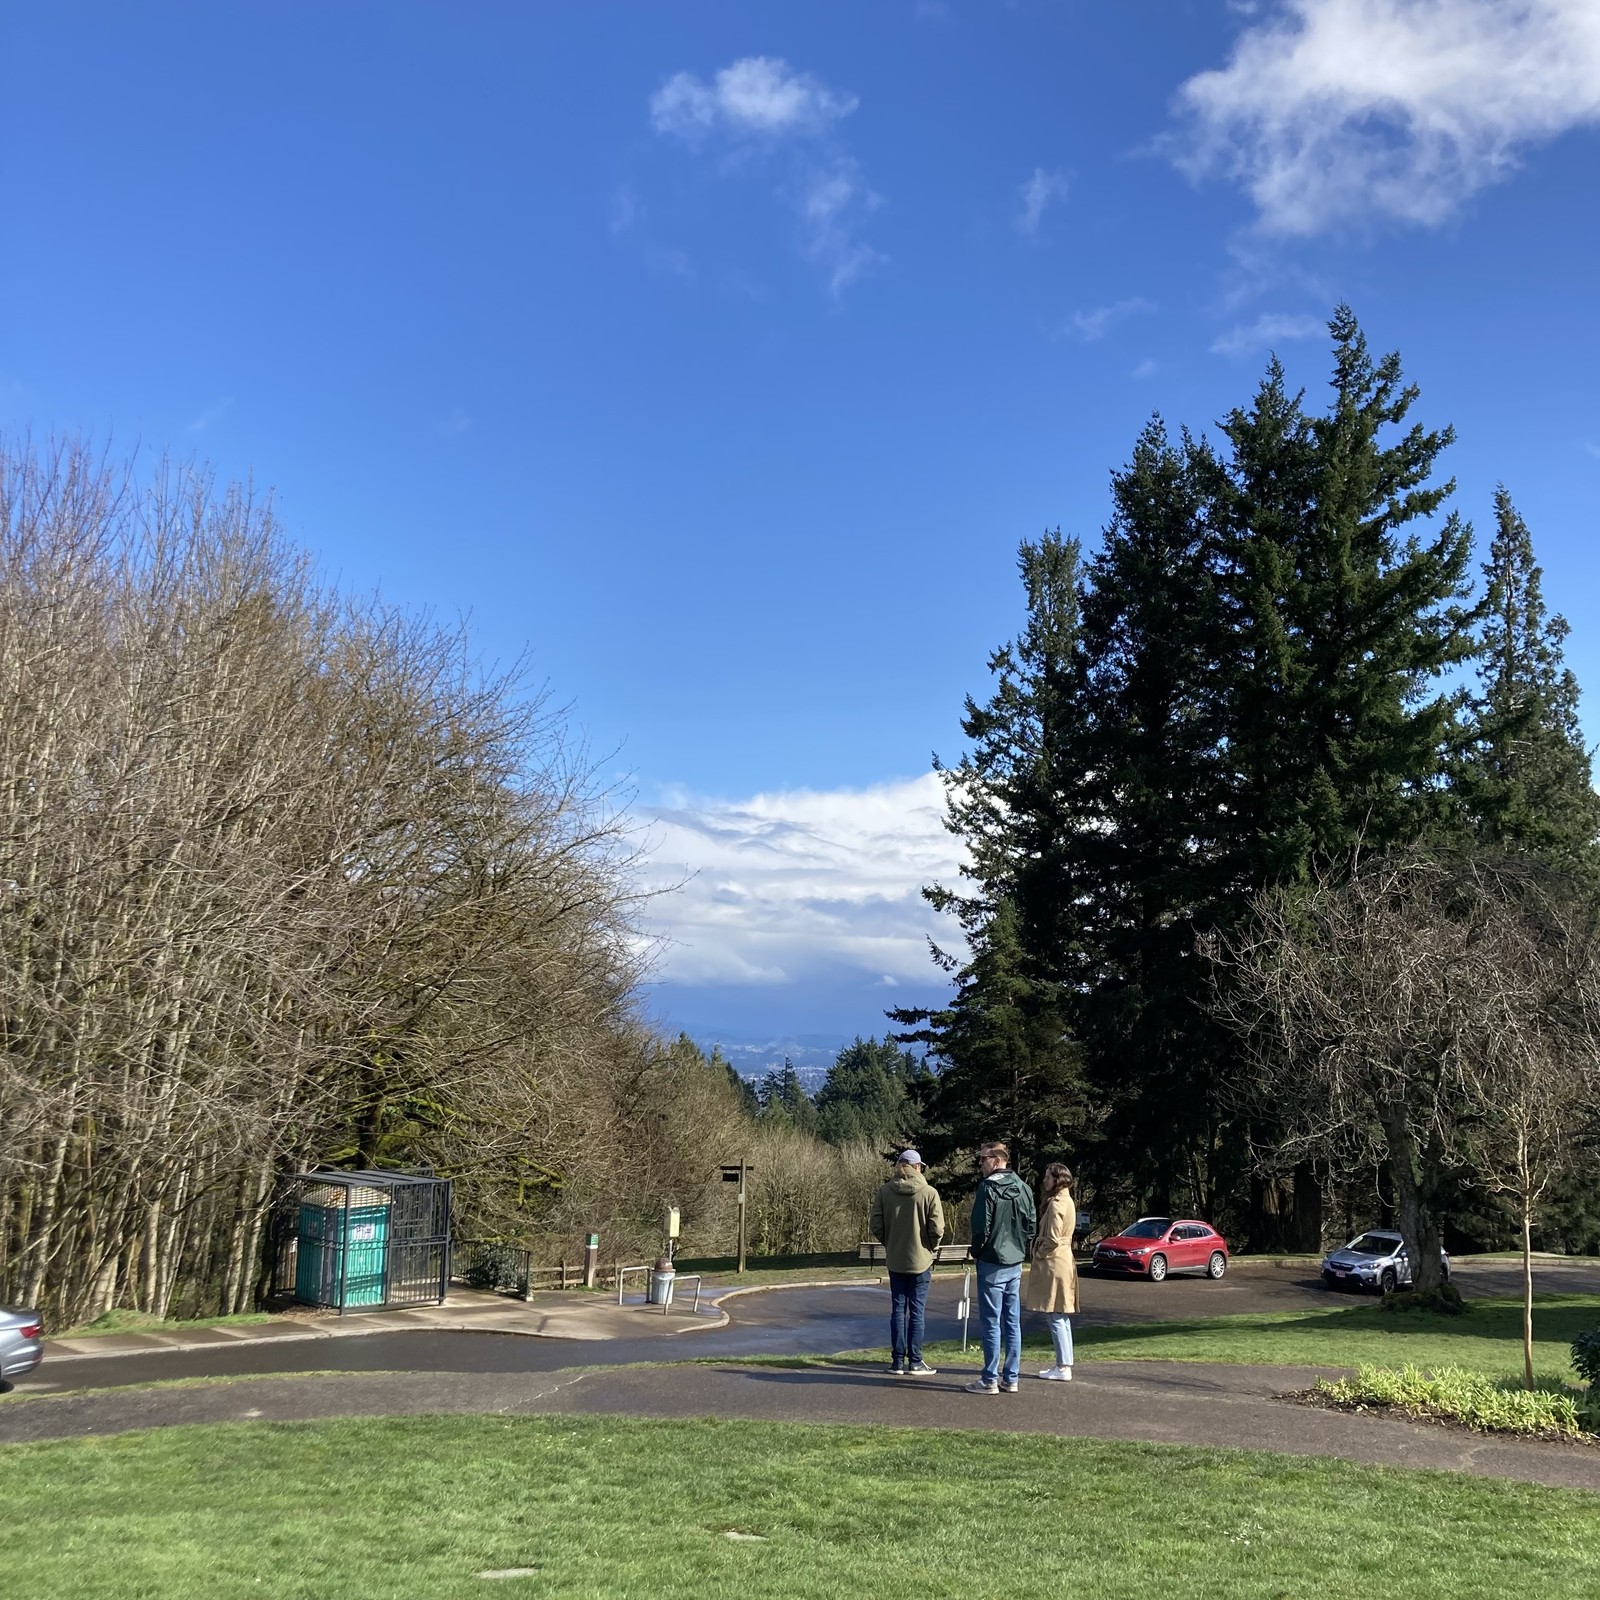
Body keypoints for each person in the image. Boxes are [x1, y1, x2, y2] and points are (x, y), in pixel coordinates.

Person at [964, 1141, 1036, 1395]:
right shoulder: (1024, 1188)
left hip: (992, 1261)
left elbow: (980, 1227)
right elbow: (1031, 1226)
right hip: (1014, 1261)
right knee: (1012, 1321)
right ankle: (1011, 1377)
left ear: (996, 1160)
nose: (980, 1164)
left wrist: (977, 1251)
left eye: (983, 1159)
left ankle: (989, 1379)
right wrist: (1018, 1246)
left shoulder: (987, 1188)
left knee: (991, 1322)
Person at [868, 1148, 945, 1376]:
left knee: (898, 1310)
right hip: (921, 1260)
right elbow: (937, 1228)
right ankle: (916, 1361)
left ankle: (897, 1361)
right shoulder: (929, 1192)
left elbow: (876, 1224)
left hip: (895, 1259)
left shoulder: (885, 1191)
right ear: (918, 1167)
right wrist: (931, 1246)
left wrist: (889, 1242)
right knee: (917, 1312)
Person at [1025, 1162, 1079, 1380]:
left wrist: (1039, 1253)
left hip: (1055, 1262)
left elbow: (1053, 1239)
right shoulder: (1068, 1201)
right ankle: (1065, 1363)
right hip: (1064, 1260)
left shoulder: (1057, 1204)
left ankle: (1063, 1366)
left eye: (1048, 1177)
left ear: (1057, 1179)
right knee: (1060, 1315)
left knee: (1054, 1314)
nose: (1044, 1181)